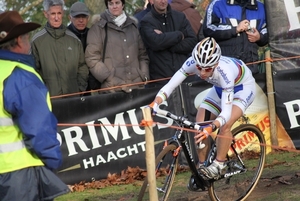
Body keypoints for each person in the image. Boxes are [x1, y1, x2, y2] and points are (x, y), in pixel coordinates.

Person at [149, 37, 256, 182]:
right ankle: (201, 166)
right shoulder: (192, 62)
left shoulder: (226, 72)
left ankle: (219, 164)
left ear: (216, 64)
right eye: (199, 68)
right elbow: (171, 85)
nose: (203, 73)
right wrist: (155, 103)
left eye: (207, 69)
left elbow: (225, 112)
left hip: (242, 88)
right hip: (219, 89)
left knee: (225, 124)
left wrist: (212, 127)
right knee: (200, 125)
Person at [0, 11, 69, 200]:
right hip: (20, 174)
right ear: (20, 41)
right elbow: (39, 129)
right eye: (27, 37)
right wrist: (53, 161)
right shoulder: (20, 76)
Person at [85, 0, 149, 93]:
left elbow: (142, 55)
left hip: (136, 86)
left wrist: (144, 75)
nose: (114, 6)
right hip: (112, 89)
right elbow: (92, 58)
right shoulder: (98, 28)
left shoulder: (133, 26)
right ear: (107, 5)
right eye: (111, 3)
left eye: (117, 3)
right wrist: (108, 78)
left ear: (123, 4)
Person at [31, 0, 89, 97]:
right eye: (53, 14)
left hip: (73, 98)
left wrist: (79, 88)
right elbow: (33, 71)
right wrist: (41, 93)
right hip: (49, 100)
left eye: (59, 13)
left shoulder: (74, 40)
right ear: (45, 14)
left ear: (63, 13)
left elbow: (82, 66)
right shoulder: (37, 41)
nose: (57, 18)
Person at [139, 0, 198, 87]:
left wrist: (166, 44)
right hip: (161, 81)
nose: (163, 1)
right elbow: (156, 43)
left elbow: (192, 42)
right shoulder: (146, 21)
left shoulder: (180, 17)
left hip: (184, 77)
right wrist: (179, 35)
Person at [202, 0, 268, 74]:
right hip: (224, 66)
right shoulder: (217, 3)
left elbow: (270, 31)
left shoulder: (261, 7)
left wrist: (260, 37)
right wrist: (235, 29)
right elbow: (208, 28)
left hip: (251, 66)